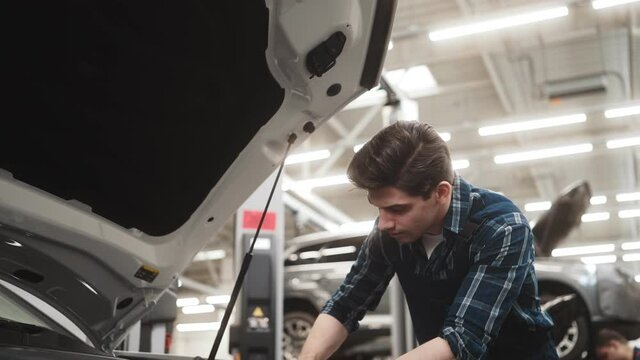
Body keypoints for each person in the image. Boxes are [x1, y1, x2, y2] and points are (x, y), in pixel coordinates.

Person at [299, 121, 558, 360]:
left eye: (398, 209)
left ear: (441, 192)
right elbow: (345, 305)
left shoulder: (501, 226)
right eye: (378, 208)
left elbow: (463, 339)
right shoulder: (388, 233)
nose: (383, 223)